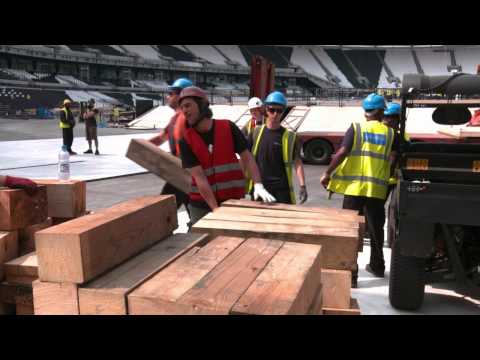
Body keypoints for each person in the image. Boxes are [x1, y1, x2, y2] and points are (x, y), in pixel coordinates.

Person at [320, 93, 398, 288]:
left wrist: (327, 172)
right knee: (375, 228)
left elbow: (342, 152)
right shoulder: (390, 134)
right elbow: (393, 158)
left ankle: (352, 276)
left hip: (354, 189)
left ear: (366, 111)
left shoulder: (356, 128)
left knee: (351, 231)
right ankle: (378, 266)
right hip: (377, 191)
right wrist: (386, 174)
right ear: (381, 112)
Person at [178, 86, 276, 225]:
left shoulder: (228, 127)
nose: (184, 111)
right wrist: (215, 210)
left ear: (202, 104)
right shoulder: (185, 141)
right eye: (182, 108)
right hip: (201, 206)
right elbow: (200, 179)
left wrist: (258, 184)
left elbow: (247, 158)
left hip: (233, 202)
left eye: (188, 105)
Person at [247, 91, 307, 204]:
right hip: (260, 188)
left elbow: (297, 161)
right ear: (266, 110)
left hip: (281, 191)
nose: (275, 114)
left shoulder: (290, 137)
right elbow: (246, 158)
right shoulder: (255, 133)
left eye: (279, 111)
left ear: (283, 112)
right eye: (272, 110)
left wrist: (303, 186)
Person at [149, 78, 193, 219]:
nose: (168, 96)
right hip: (179, 171)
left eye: (171, 93)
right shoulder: (174, 120)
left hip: (186, 172)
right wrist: (139, 145)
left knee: (164, 210)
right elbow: (161, 138)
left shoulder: (188, 119)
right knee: (189, 208)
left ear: (181, 95)